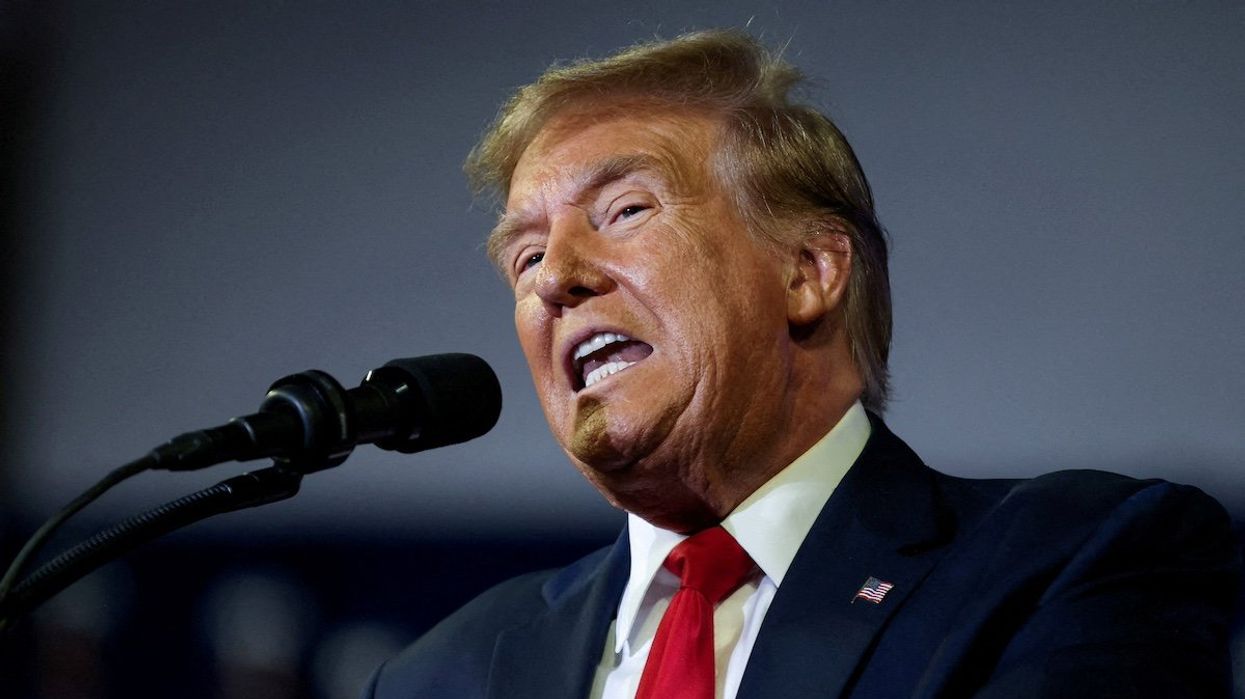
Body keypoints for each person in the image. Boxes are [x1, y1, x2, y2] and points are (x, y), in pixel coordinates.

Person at [365, 30, 1239, 698]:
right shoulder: (440, 673)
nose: (555, 277)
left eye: (625, 210)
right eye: (523, 258)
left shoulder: (1064, 564)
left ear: (808, 271)